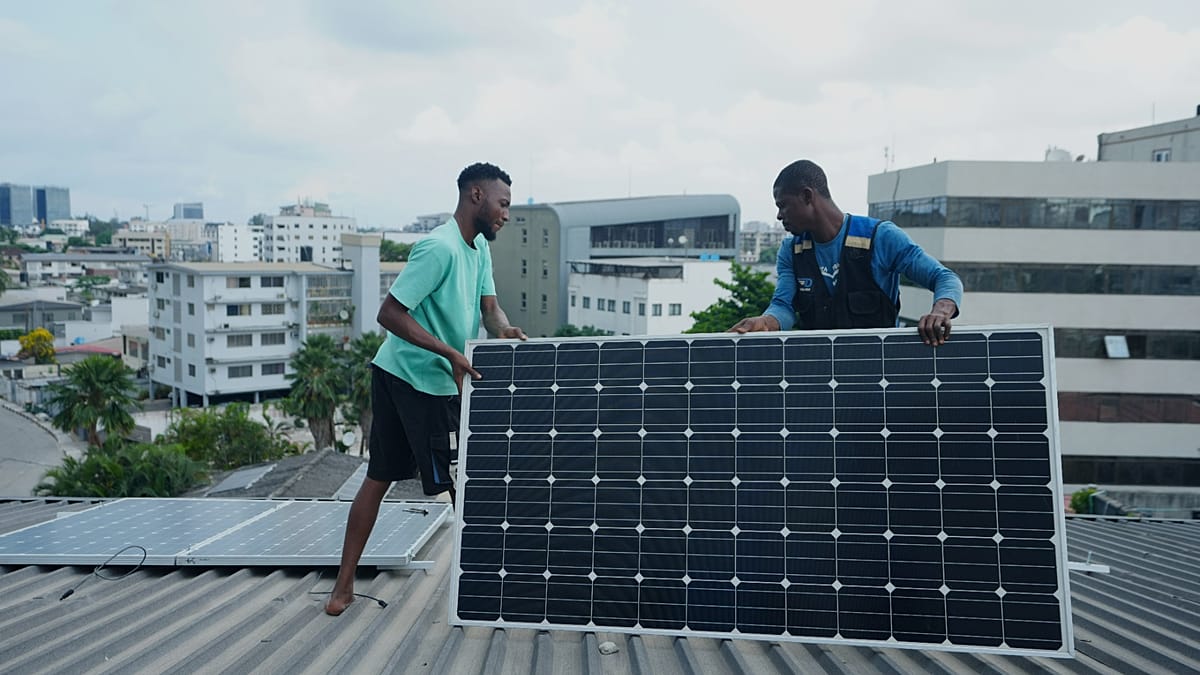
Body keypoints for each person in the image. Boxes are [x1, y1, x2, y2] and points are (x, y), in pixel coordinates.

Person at [324, 162, 527, 616]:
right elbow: (390, 314)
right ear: (476, 195)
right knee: (416, 481)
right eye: (503, 204)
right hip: (407, 379)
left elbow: (489, 308)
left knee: (454, 482)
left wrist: (505, 329)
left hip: (434, 380)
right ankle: (344, 587)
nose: (506, 215)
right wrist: (449, 352)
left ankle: (485, 583)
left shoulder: (478, 250)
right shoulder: (438, 248)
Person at [730, 159, 962, 345]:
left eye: (783, 205)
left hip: (877, 374)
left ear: (807, 196)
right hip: (819, 375)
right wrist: (765, 322)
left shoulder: (879, 237)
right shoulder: (791, 250)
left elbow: (944, 277)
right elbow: (783, 306)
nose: (780, 216)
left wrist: (940, 312)